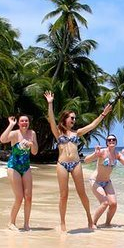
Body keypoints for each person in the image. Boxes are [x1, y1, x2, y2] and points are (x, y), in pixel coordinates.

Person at [45, 91, 112, 231]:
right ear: (65, 119)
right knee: (64, 195)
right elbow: (51, 119)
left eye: (74, 118)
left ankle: (89, 220)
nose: (74, 120)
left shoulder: (77, 133)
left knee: (82, 193)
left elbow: (92, 125)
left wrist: (103, 114)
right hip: (62, 164)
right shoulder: (58, 133)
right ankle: (63, 223)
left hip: (76, 164)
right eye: (72, 118)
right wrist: (50, 103)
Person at [0, 115, 39, 231]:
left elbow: (35, 152)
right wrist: (10, 124)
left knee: (29, 197)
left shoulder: (32, 134)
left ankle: (26, 224)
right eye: (22, 121)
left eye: (26, 121)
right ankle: (11, 223)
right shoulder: (15, 133)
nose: (24, 122)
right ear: (19, 123)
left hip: (26, 167)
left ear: (29, 123)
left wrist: (32, 145)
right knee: (19, 197)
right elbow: (2, 139)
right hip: (14, 167)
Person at [83, 134, 124, 227]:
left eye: (113, 139)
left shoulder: (117, 154)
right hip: (95, 181)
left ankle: (107, 223)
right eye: (109, 140)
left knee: (113, 204)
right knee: (105, 203)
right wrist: (95, 153)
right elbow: (86, 160)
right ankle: (92, 223)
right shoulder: (102, 152)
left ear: (116, 141)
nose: (111, 141)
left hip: (107, 182)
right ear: (106, 142)